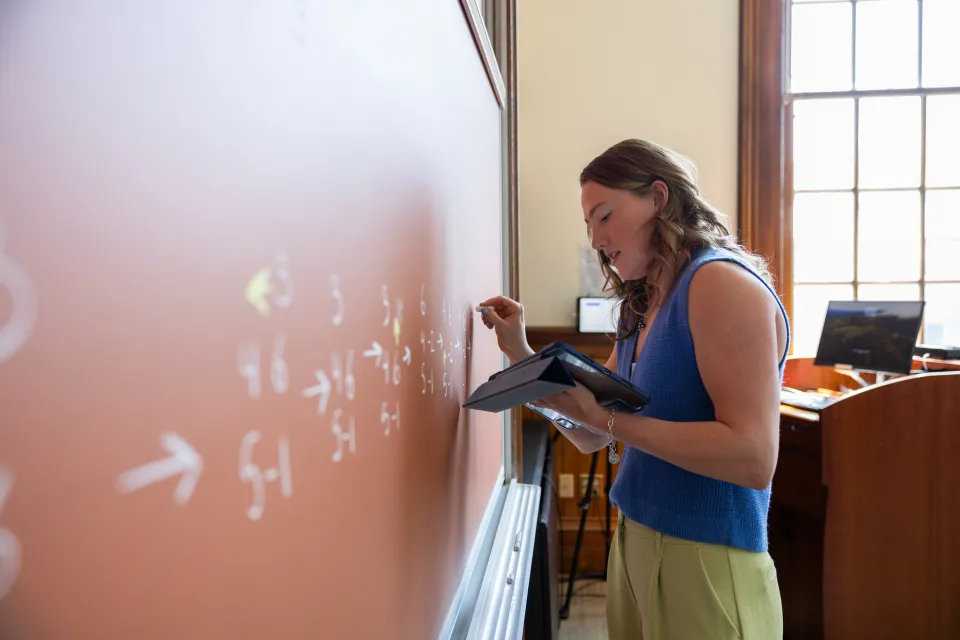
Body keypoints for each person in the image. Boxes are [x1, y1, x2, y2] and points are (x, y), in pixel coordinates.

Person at [478, 139, 789, 639]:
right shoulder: (639, 305)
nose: (596, 240)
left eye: (604, 216)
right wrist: (520, 357)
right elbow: (590, 436)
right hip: (633, 546)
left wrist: (604, 419)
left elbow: (753, 459)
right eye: (588, 226)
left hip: (707, 561)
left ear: (658, 198)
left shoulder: (720, 284)